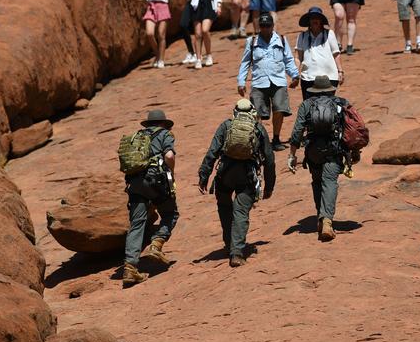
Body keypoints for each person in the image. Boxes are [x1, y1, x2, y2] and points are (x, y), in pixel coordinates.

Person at [198, 99, 275, 267]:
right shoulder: (258, 128)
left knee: (225, 208)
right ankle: (237, 253)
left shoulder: (226, 126)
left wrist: (204, 176)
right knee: (240, 213)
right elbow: (269, 159)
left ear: (235, 111)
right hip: (247, 175)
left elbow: (212, 152)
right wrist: (269, 186)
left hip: (225, 174)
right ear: (252, 112)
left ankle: (228, 243)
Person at [287, 75, 353, 242]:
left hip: (313, 150)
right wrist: (353, 153)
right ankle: (327, 221)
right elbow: (351, 129)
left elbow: (297, 131)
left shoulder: (307, 105)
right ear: (331, 90)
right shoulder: (341, 103)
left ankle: (320, 217)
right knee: (329, 182)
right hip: (334, 149)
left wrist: (292, 155)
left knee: (317, 182)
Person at [119, 109, 179, 287]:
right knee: (170, 213)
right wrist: (172, 174)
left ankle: (130, 268)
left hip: (134, 183)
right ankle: (156, 245)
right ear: (162, 123)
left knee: (137, 223)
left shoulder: (136, 136)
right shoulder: (164, 134)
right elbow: (169, 155)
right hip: (155, 181)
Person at [237, 12, 299, 151]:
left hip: (278, 81)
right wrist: (241, 82)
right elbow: (245, 63)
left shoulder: (281, 39)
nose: (265, 29)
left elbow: (288, 60)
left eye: (268, 26)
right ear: (259, 27)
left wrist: (295, 75)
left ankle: (276, 139)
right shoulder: (252, 41)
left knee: (279, 109)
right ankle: (259, 141)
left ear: (272, 26)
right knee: (257, 113)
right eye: (262, 26)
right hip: (259, 82)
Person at [126, 0, 174, 69]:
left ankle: (161, 59)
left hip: (162, 7)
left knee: (161, 35)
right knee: (149, 33)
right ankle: (157, 54)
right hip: (151, 7)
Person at [295, 7, 344, 100]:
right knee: (309, 108)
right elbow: (298, 57)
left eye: (317, 18)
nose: (315, 20)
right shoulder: (302, 36)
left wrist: (340, 71)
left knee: (328, 106)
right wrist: (296, 73)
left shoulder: (329, 34)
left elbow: (336, 54)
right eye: (312, 18)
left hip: (329, 77)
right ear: (309, 21)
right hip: (308, 77)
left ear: (321, 20)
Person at [185, 0, 222, 69]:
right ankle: (198, 58)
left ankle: (209, 55)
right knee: (197, 34)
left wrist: (219, 4)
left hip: (208, 5)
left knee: (205, 30)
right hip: (197, 6)